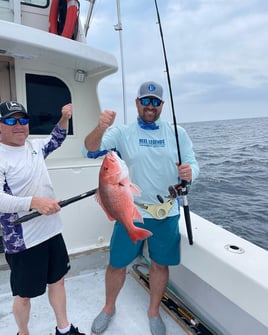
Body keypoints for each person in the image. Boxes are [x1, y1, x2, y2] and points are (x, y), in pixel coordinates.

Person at [83, 81, 199, 335]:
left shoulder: (177, 133)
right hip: (131, 210)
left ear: (162, 105)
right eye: (145, 100)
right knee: (116, 263)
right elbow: (89, 150)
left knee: (159, 265)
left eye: (155, 101)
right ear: (137, 102)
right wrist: (101, 127)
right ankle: (108, 307)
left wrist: (190, 173)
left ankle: (154, 311)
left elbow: (193, 164)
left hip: (166, 212)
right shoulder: (122, 133)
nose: (150, 106)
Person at [0, 101, 85, 335]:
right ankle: (23, 332)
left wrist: (64, 117)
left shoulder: (36, 146)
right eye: (10, 120)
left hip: (51, 231)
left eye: (23, 120)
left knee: (57, 281)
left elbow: (57, 137)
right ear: (0, 125)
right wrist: (34, 202)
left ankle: (64, 328)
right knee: (24, 295)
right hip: (23, 240)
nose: (18, 125)